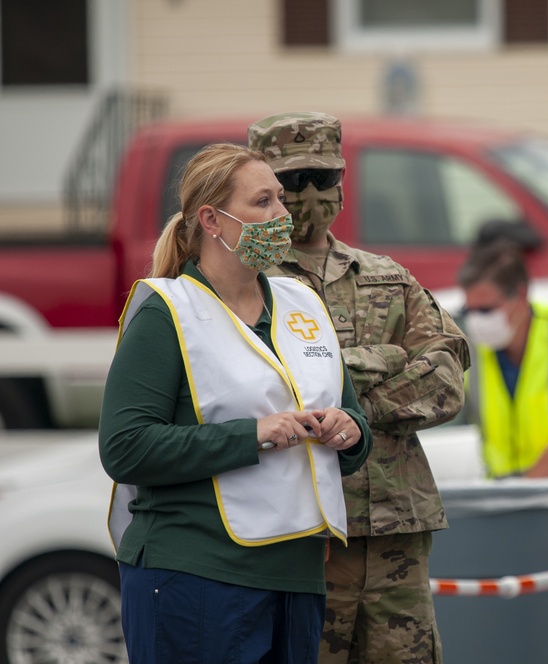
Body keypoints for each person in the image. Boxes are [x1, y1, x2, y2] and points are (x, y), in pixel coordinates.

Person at [99, 143, 373, 664]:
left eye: (280, 200)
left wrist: (349, 430)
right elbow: (125, 448)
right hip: (196, 576)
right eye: (263, 201)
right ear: (212, 220)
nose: (282, 215)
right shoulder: (168, 312)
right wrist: (253, 434)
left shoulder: (302, 303)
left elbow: (353, 422)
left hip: (297, 578)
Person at [248, 112, 470, 664]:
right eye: (293, 183)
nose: (310, 195)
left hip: (396, 526)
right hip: (301, 534)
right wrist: (385, 357)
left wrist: (354, 406)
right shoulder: (242, 283)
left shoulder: (385, 276)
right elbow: (263, 388)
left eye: (323, 178)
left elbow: (447, 378)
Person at [457, 235, 548, 478]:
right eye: (469, 311)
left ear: (520, 295)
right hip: (500, 499)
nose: (476, 321)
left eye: (486, 309)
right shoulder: (469, 350)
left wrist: (526, 486)